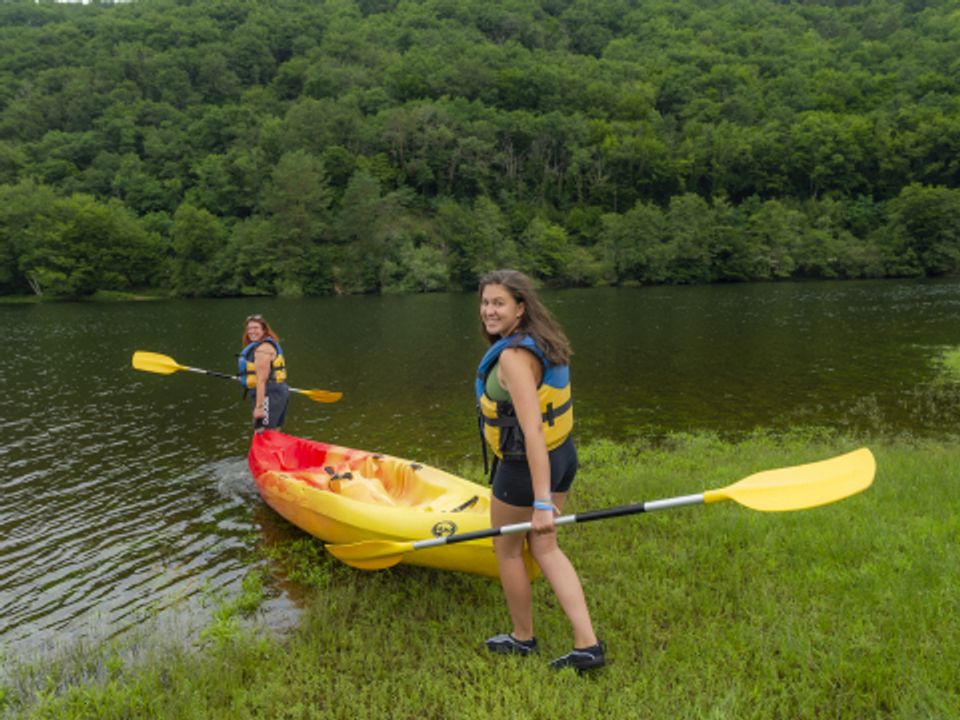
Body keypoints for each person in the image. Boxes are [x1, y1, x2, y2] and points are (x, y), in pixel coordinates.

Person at [475, 269, 604, 672]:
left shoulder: (514, 357)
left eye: (499, 303)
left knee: (508, 549)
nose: (489, 311)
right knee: (545, 546)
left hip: (526, 469)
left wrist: (542, 502)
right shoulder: (544, 343)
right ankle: (587, 645)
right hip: (562, 455)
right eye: (485, 302)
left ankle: (522, 638)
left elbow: (530, 430)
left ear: (520, 307)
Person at [239, 314, 290, 432]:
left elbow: (261, 380)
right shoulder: (262, 345)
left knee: (263, 432)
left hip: (268, 394)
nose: (251, 331)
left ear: (264, 329)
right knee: (273, 432)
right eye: (249, 329)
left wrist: (259, 407)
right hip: (276, 392)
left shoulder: (263, 349)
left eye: (256, 328)